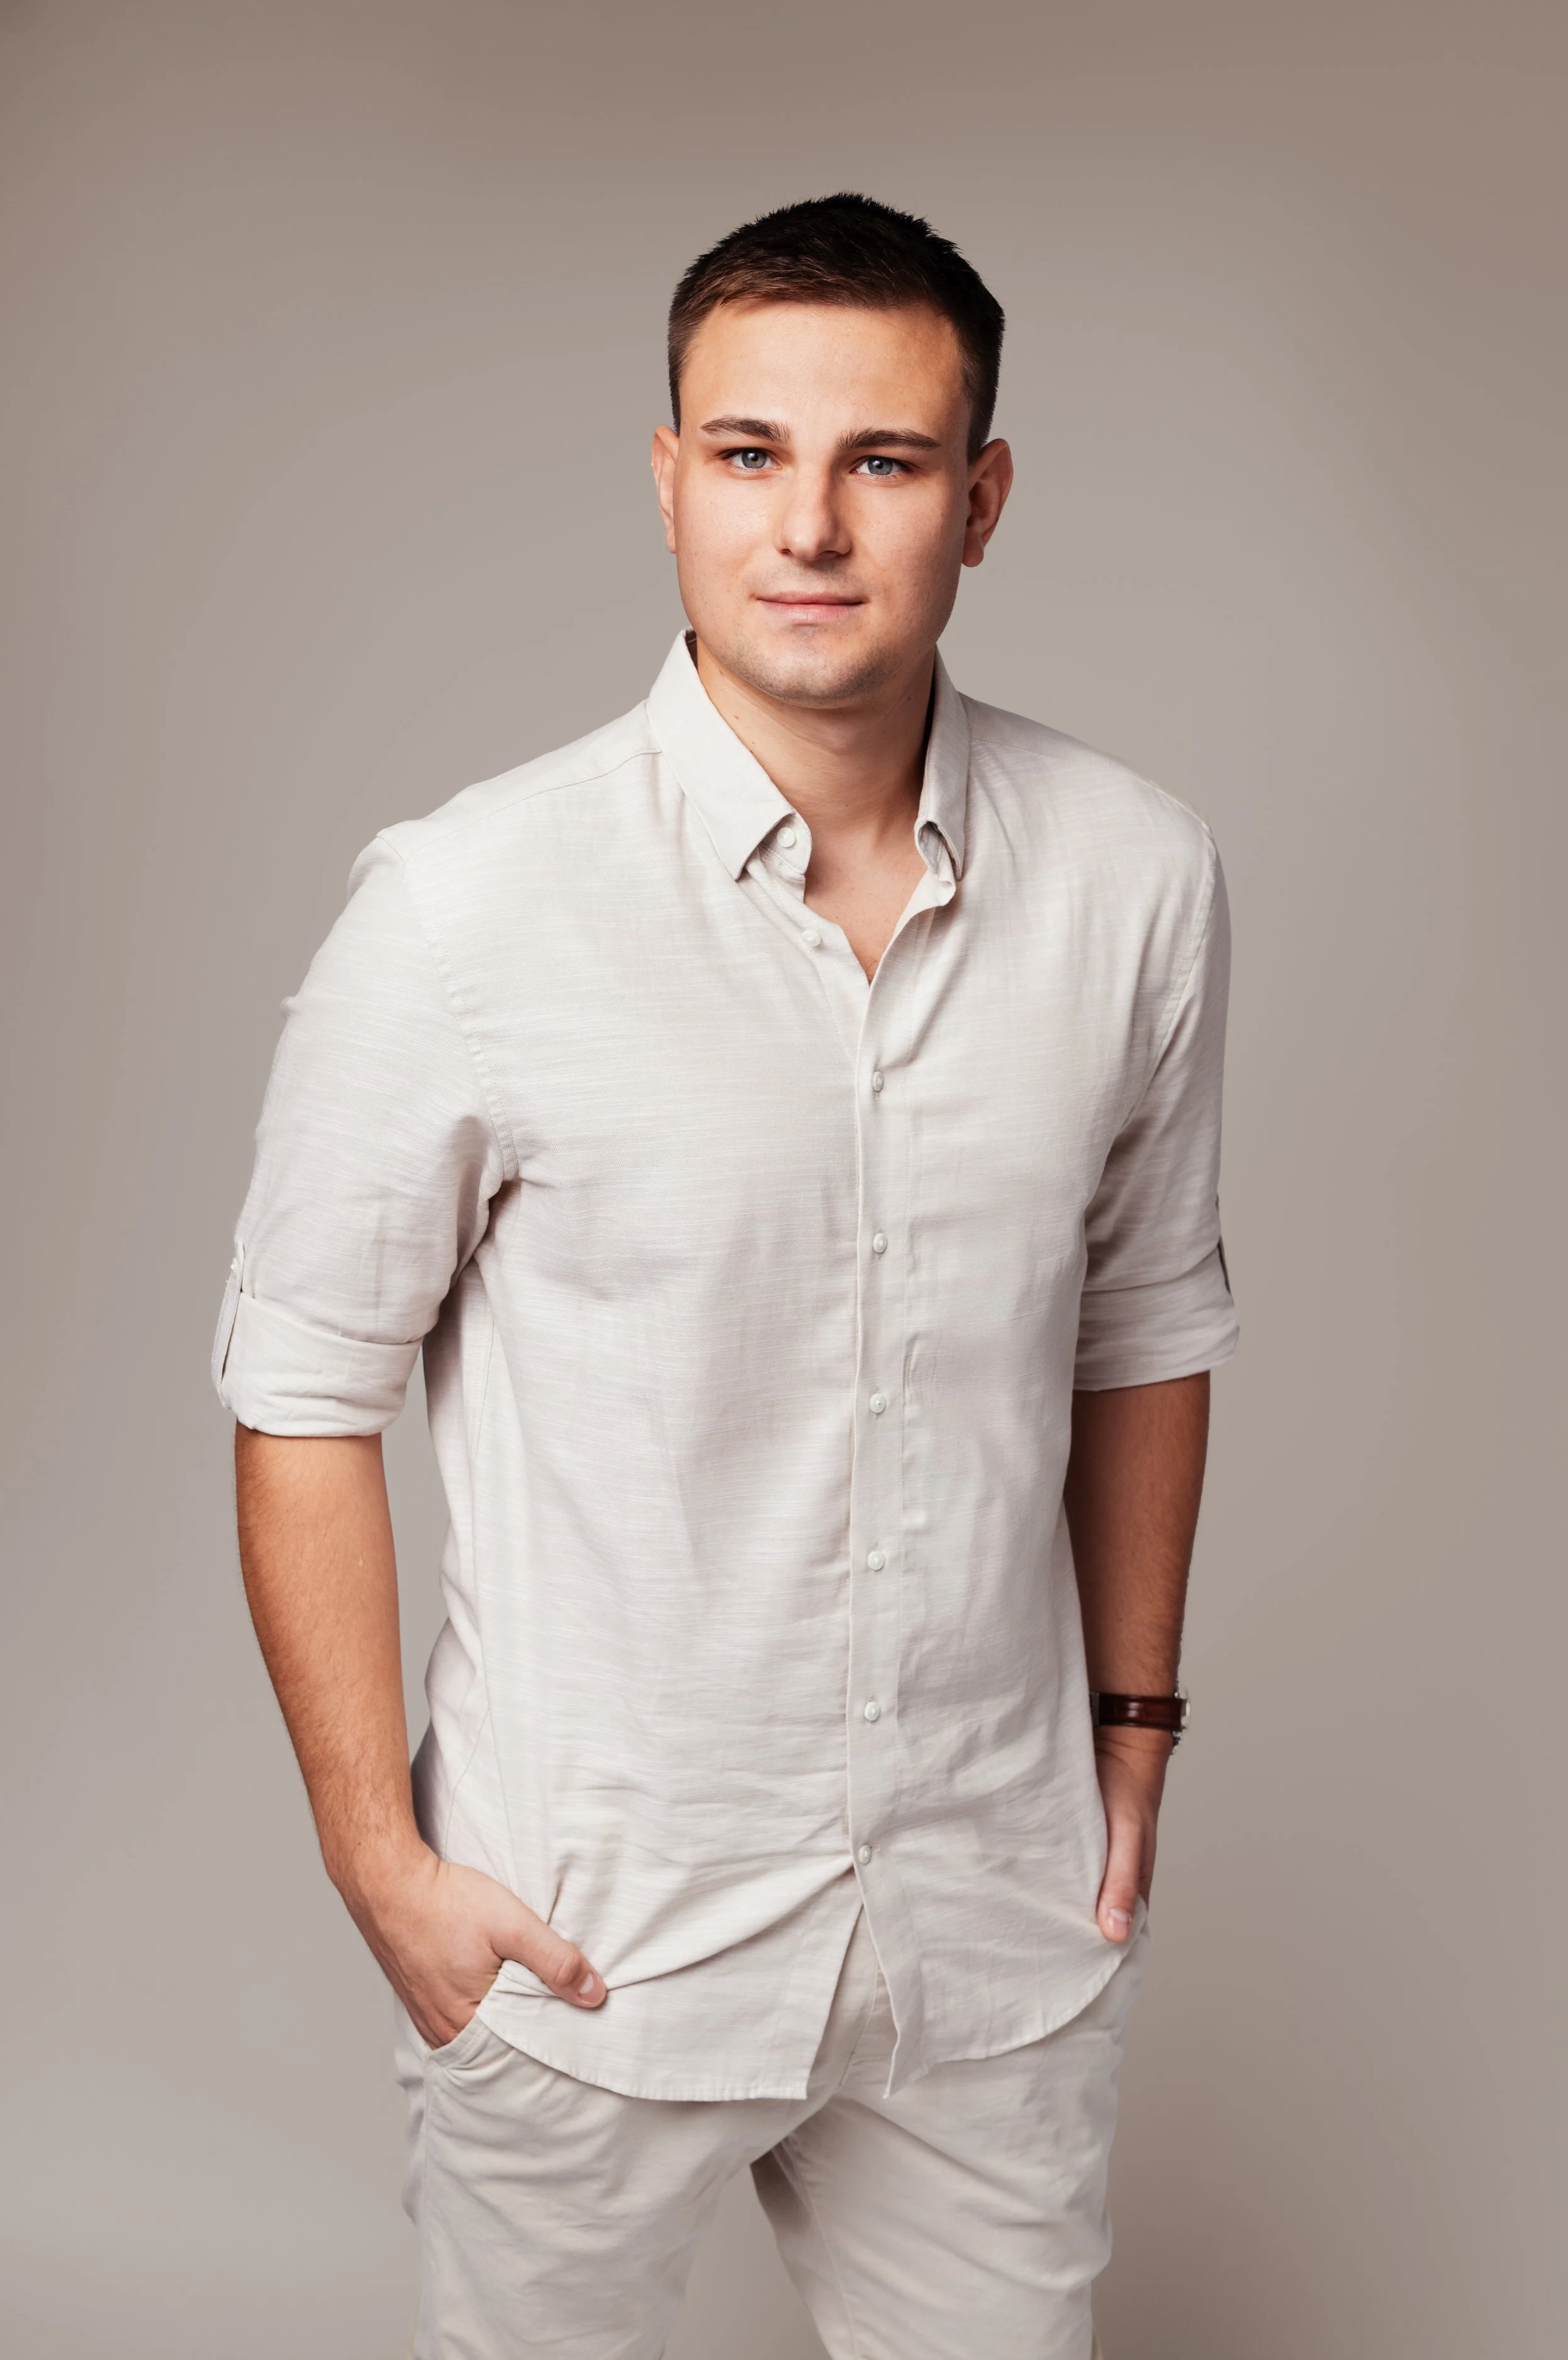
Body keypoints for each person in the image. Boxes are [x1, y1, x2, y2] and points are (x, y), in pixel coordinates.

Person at [215, 192, 1238, 2360]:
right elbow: (300, 1386)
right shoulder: (465, 908)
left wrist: (1131, 1727)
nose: (810, 525)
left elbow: (1147, 1315)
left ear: (981, 501)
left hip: (987, 1929)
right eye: (751, 452)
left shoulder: (1137, 875)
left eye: (883, 461)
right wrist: (377, 1859)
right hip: (589, 1937)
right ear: (667, 478)